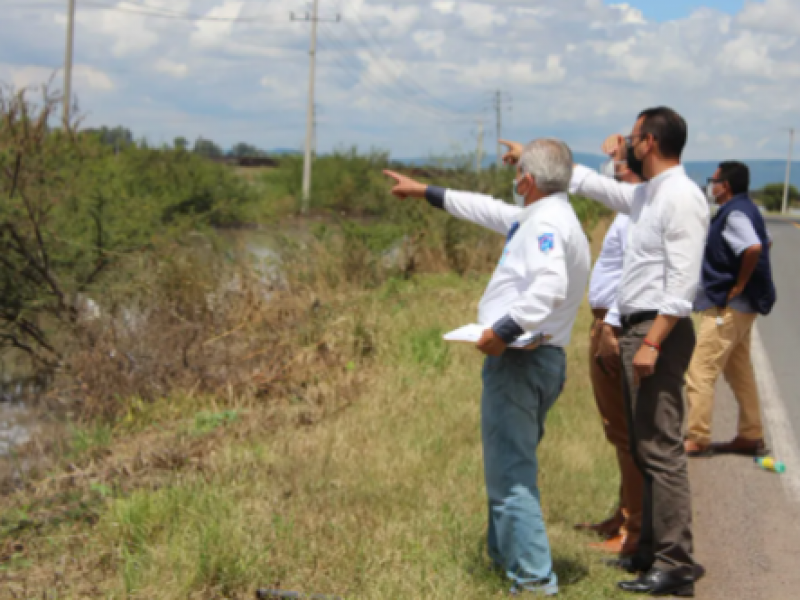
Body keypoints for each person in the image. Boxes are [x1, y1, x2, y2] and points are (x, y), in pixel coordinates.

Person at [384, 139, 590, 597]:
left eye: (518, 177)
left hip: (522, 359)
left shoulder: (547, 223)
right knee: (508, 467)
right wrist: (425, 191)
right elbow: (483, 208)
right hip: (542, 359)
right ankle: (506, 559)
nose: (514, 184)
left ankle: (533, 581)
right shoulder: (541, 214)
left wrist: (501, 330)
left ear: (530, 182)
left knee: (512, 476)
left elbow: (550, 285)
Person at [557, 107, 707, 596]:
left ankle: (675, 563)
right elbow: (600, 187)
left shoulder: (681, 195)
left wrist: (652, 340)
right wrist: (545, 159)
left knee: (661, 450)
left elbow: (683, 281)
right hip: (639, 329)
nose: (623, 144)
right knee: (643, 447)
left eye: (632, 138)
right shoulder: (647, 194)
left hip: (656, 331)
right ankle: (648, 549)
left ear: (649, 143)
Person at [572, 139, 644, 558]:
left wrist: (611, 328)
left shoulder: (641, 207)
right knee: (618, 430)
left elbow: (637, 273)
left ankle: (633, 532)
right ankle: (622, 515)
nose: (612, 164)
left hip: (615, 326)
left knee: (626, 432)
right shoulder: (632, 205)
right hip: (605, 323)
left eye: (619, 159)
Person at [684, 161, 776, 457]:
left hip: (728, 306)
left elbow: (753, 247)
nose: (711, 185)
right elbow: (766, 241)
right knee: (739, 371)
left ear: (727, 185)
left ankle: (697, 436)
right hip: (743, 308)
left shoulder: (734, 213)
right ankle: (751, 434)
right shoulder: (748, 209)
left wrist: (739, 283)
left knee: (700, 371)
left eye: (714, 180)